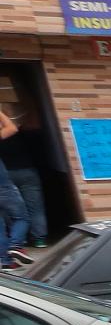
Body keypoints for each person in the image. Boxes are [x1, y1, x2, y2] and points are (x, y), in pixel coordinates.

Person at [0, 101, 47, 249]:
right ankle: (39, 239)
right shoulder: (23, 132)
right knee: (35, 208)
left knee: (9, 212)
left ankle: (19, 241)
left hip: (7, 174)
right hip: (27, 172)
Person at [0, 105, 28, 265]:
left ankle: (5, 261)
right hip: (2, 186)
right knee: (21, 217)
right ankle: (16, 245)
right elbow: (11, 128)